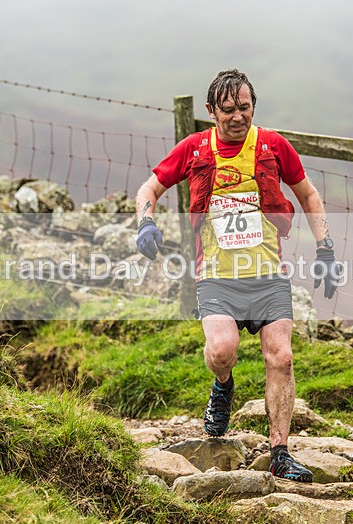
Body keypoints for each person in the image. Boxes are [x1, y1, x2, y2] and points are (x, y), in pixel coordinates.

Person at [134, 69, 340, 483]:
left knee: (281, 356)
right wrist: (144, 222)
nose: (237, 117)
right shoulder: (195, 149)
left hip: (267, 273)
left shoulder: (272, 145)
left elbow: (308, 195)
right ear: (211, 111)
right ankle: (223, 385)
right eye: (227, 110)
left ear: (253, 107)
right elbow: (148, 190)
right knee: (223, 349)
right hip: (216, 276)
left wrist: (325, 248)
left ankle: (280, 451)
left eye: (244, 108)